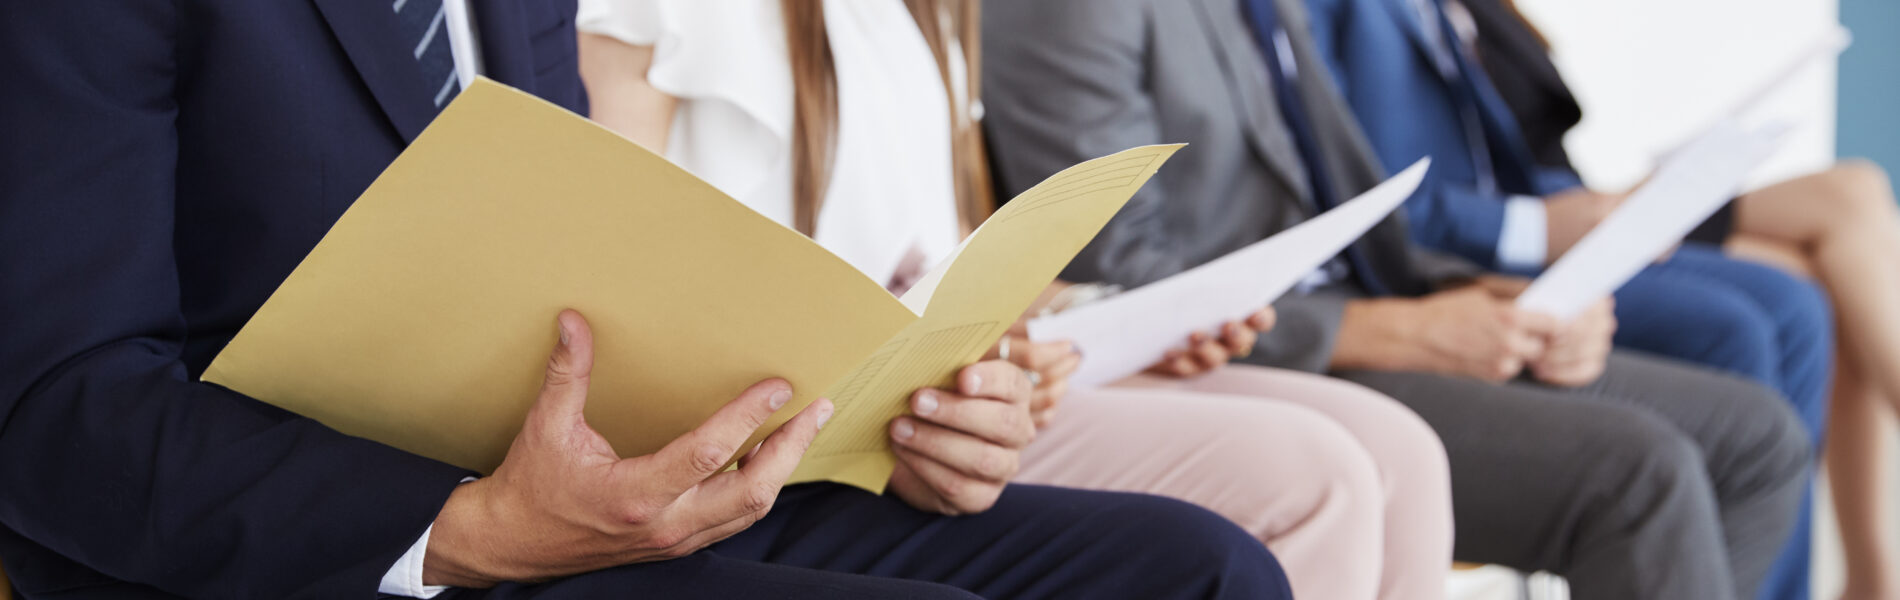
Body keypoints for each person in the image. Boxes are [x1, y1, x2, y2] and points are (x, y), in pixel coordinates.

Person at [0, 1, 1293, 598]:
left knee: (1196, 570)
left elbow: (581, 295)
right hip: (323, 538)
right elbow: (51, 405)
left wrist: (897, 413)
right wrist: (462, 529)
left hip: (583, 488)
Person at [578, 1, 1454, 598]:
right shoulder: (669, 17)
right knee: (1317, 477)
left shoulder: (927, 15)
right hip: (829, 419)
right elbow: (613, 272)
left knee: (1403, 452)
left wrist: (1111, 319)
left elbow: (950, 261)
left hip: (951, 391)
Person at [981, 0, 1813, 597]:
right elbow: (1119, 277)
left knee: (1756, 438)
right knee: (1642, 475)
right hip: (1258, 349)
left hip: (1354, 306)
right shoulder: (1071, 9)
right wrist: (1397, 331)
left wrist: (1484, 293)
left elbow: (1355, 204)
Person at [1294, 2, 1837, 595]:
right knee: (1728, 339)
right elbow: (1366, 201)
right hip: (1424, 264)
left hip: (1469, 253)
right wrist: (1528, 232)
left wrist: (1594, 209)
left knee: (1792, 312)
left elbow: (1498, 165)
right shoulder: (1314, 15)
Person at [1466, 2, 1900, 596]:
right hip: (1548, 231)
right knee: (1840, 216)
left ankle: (1873, 581)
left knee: (1829, 259)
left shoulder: (1482, 14)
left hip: (1584, 205)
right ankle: (1871, 581)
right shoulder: (1398, 24)